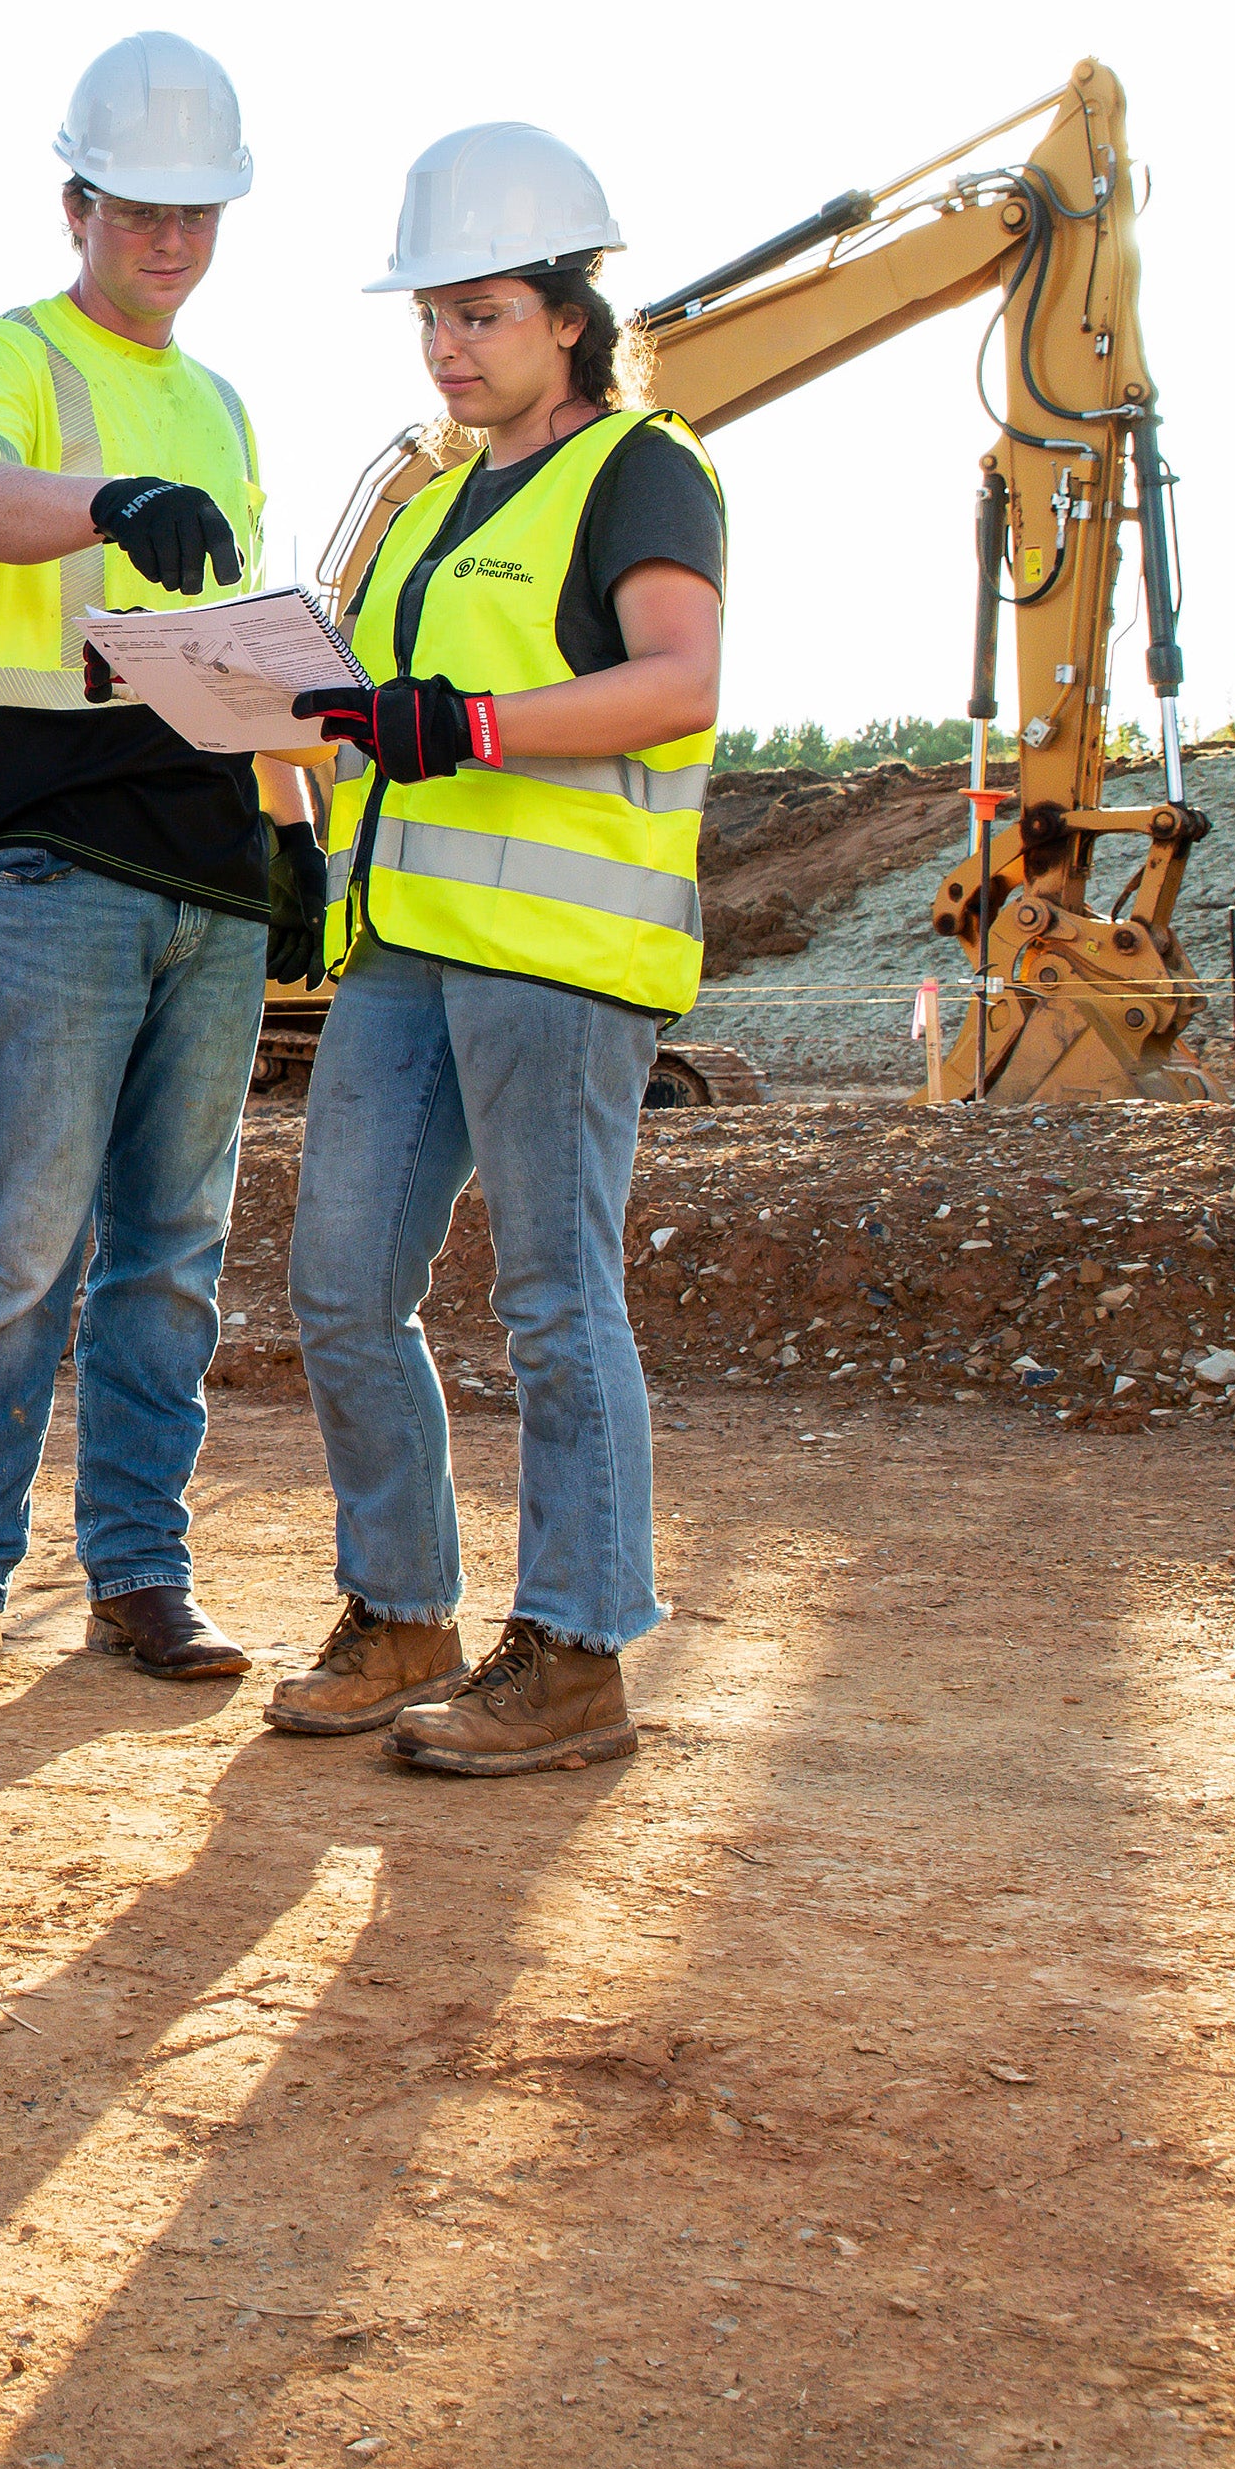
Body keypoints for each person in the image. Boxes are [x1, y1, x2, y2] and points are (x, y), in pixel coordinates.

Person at [261, 120, 724, 1774]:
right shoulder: (441, 498)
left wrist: (459, 721)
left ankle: (579, 1651)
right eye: (432, 321)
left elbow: (675, 683)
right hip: (400, 948)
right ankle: (401, 1617)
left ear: (568, 317)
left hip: (555, 950)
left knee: (550, 1299)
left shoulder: (640, 470)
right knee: (339, 1285)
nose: (451, 350)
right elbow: (370, 717)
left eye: (482, 316)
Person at [0, 32, 319, 1697]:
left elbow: (247, 648)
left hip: (205, 875)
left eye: (197, 214)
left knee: (167, 1257)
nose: (170, 241)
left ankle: (140, 1571)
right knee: (19, 1246)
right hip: (49, 863)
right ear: (74, 203)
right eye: (139, 210)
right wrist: (106, 500)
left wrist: (299, 836)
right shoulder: (3, 359)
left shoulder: (220, 404)